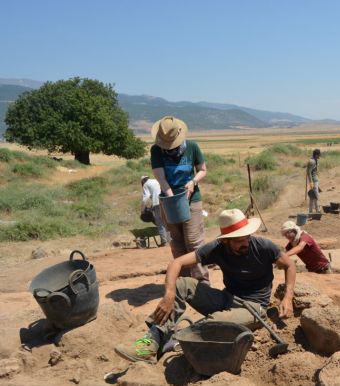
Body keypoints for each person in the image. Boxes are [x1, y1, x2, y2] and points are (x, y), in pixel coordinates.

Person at [114, 209, 297, 362]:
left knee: (215, 322)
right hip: (227, 298)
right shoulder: (217, 247)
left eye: (247, 237)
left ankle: (178, 340)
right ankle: (152, 342)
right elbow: (176, 263)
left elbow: (289, 264)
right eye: (239, 240)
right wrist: (169, 294)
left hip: (254, 308)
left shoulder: (264, 246)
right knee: (182, 284)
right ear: (226, 240)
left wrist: (288, 297)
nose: (246, 243)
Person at [151, 116, 209, 282]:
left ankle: (202, 282)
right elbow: (161, 179)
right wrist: (173, 199)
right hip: (169, 200)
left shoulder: (192, 147)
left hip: (192, 199)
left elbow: (202, 170)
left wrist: (193, 182)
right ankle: (184, 283)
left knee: (193, 241)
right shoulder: (156, 150)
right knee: (176, 242)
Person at [140, 176, 170, 246]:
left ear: (142, 181)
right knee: (167, 221)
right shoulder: (156, 180)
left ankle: (164, 242)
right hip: (166, 201)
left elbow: (145, 198)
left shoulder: (146, 184)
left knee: (160, 222)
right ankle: (170, 240)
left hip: (157, 203)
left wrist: (142, 210)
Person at [307, 148, 321, 213]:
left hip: (315, 180)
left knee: (312, 196)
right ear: (316, 155)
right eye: (319, 155)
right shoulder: (312, 161)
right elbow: (308, 172)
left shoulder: (315, 160)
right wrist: (311, 182)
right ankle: (317, 210)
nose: (319, 156)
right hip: (313, 181)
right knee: (315, 196)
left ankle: (310, 211)